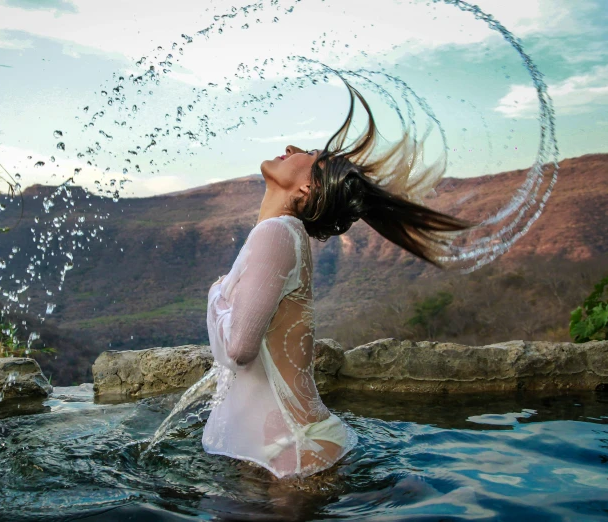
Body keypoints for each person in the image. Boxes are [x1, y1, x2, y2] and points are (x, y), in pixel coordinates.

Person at [201, 81, 475, 479]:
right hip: (289, 451)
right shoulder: (281, 234)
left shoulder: (277, 234)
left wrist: (215, 294)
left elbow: (239, 348)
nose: (294, 148)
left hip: (292, 454)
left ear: (307, 187)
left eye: (309, 154)